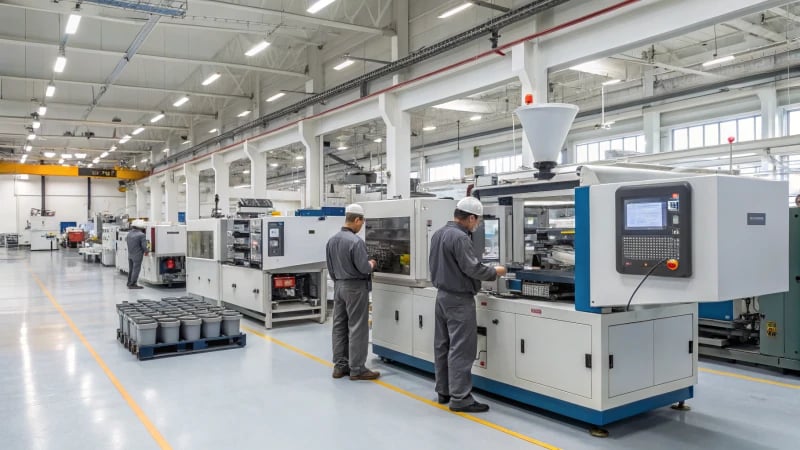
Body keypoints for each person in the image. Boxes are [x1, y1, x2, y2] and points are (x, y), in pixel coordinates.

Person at [429, 197, 507, 413]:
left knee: (442, 345)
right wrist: (496, 271)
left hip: (441, 297)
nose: (477, 225)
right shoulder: (461, 237)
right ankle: (461, 397)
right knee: (462, 349)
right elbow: (472, 268)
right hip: (459, 300)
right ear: (471, 217)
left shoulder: (438, 234)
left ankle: (444, 390)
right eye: (477, 221)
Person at [326, 204, 380, 381]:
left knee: (339, 326)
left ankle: (340, 366)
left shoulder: (332, 240)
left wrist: (339, 282)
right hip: (356, 288)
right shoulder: (356, 242)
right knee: (357, 327)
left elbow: (331, 268)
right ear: (357, 220)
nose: (361, 227)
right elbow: (364, 268)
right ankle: (357, 368)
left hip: (339, 286)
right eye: (361, 223)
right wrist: (372, 263)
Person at [126, 220, 148, 289]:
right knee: (136, 269)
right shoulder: (141, 235)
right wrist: (148, 250)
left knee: (131, 269)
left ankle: (129, 282)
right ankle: (133, 284)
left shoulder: (129, 234)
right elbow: (145, 246)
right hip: (138, 255)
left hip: (130, 254)